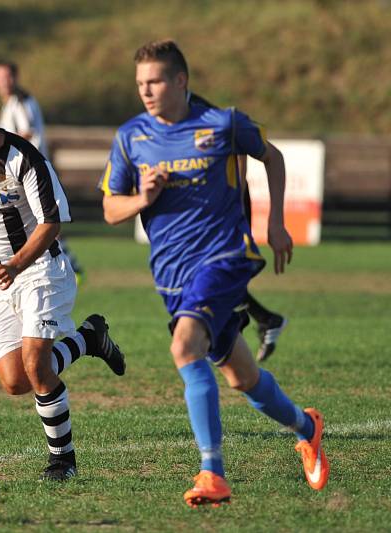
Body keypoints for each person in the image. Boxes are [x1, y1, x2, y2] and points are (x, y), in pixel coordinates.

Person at [99, 40, 328, 506]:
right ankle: (307, 427)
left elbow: (274, 156)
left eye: (156, 81)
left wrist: (276, 221)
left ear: (181, 81)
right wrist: (143, 199)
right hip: (171, 272)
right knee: (241, 377)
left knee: (185, 347)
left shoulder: (221, 123)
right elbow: (108, 209)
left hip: (225, 258)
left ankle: (212, 472)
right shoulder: (131, 137)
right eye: (141, 83)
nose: (146, 90)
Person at [0, 71, 126, 481]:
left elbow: (51, 222)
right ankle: (90, 337)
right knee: (15, 381)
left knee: (37, 365)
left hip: (40, 270)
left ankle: (63, 460)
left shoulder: (24, 159)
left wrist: (17, 262)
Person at [189, 92, 288, 362]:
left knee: (211, 274)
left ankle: (249, 322)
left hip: (229, 206)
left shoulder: (218, 122)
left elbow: (251, 155)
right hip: (209, 210)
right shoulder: (166, 125)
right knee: (204, 275)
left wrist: (270, 220)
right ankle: (261, 319)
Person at [0, 61, 85, 283]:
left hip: (26, 171)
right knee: (23, 218)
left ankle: (69, 266)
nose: (3, 82)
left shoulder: (22, 102)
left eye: (7, 77)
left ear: (16, 77)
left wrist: (3, 154)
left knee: (36, 219)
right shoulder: (11, 103)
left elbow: (27, 134)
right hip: (12, 171)